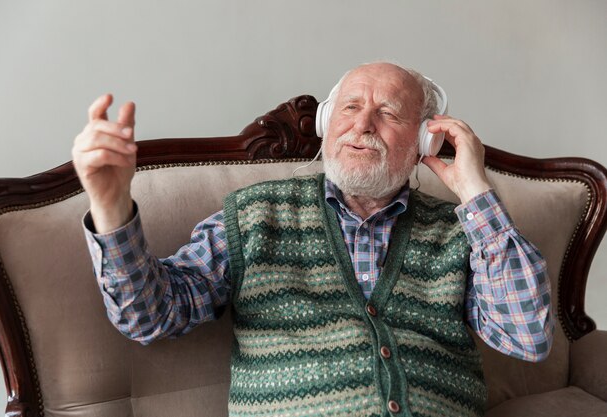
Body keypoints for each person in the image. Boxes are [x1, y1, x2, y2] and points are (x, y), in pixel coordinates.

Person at [72, 62, 553, 417]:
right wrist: (111, 208)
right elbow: (150, 315)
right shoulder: (255, 216)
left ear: (427, 141)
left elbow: (527, 335)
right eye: (350, 107)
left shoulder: (462, 232)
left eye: (388, 113)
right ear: (326, 126)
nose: (363, 125)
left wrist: (475, 191)